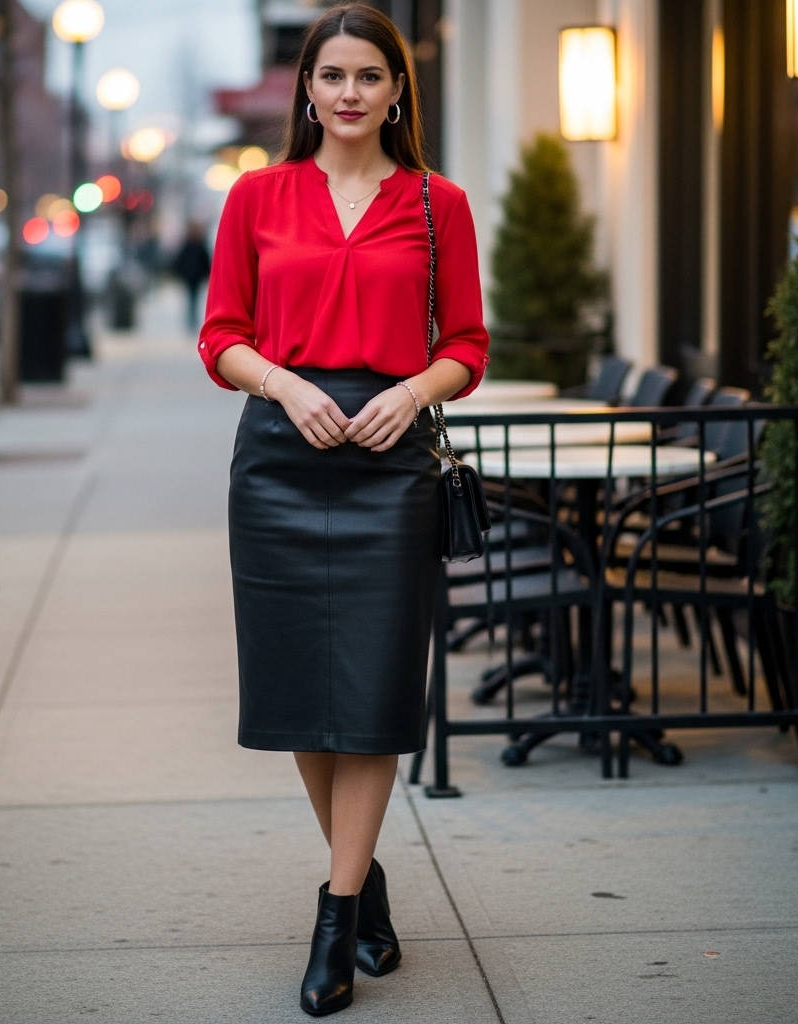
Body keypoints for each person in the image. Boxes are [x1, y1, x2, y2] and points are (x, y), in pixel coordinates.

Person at [198, 4, 489, 1015]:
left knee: (368, 697)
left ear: (398, 89)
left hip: (389, 465)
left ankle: (335, 909)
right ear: (308, 90)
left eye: (370, 75)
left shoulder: (435, 201)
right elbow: (220, 335)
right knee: (298, 695)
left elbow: (468, 345)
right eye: (333, 76)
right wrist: (283, 385)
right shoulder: (258, 197)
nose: (352, 92)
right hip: (280, 457)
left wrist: (411, 392)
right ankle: (364, 883)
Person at [172, 222, 211, 332]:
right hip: (191, 276)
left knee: (193, 298)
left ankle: (192, 320)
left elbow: (205, 261)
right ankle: (191, 320)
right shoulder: (193, 244)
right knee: (192, 298)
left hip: (194, 276)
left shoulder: (196, 244)